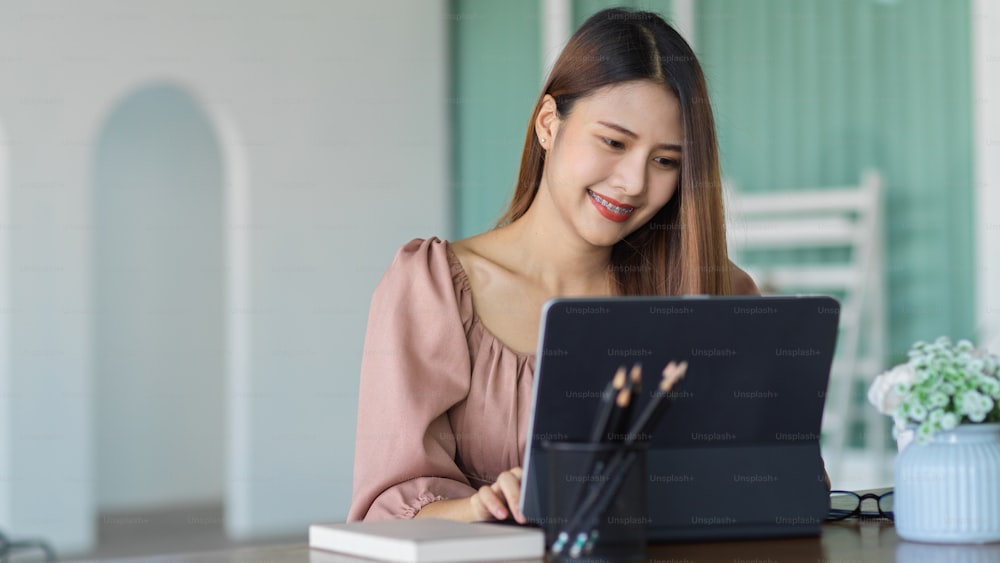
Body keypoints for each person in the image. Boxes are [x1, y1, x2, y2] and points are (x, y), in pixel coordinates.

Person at [348, 7, 764, 524]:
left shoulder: (715, 291)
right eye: (613, 142)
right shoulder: (432, 289)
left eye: (665, 161)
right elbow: (385, 515)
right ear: (549, 124)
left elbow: (778, 482)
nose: (634, 182)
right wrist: (480, 508)